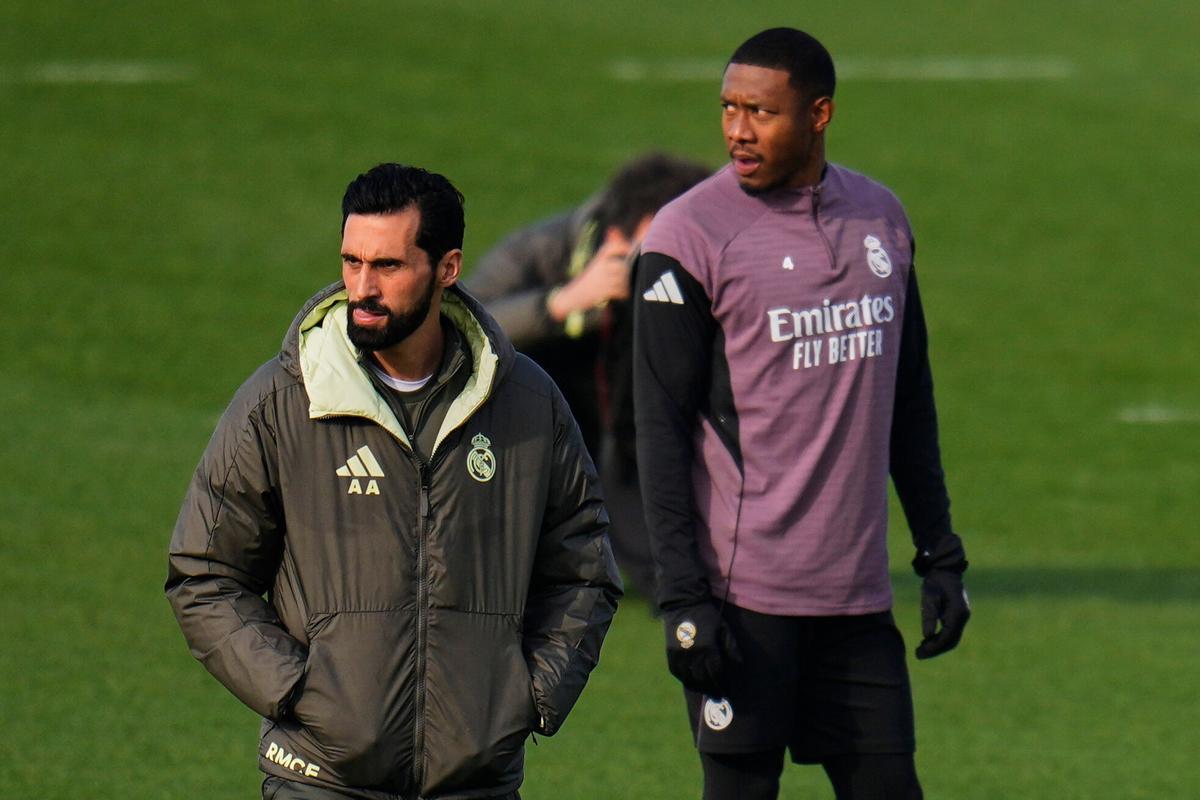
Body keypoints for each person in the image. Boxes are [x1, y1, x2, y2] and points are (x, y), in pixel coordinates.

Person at [166, 163, 622, 800]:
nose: (361, 287)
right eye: (351, 261)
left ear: (447, 268)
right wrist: (299, 692)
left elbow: (584, 567)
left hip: (475, 783)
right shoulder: (280, 403)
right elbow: (204, 573)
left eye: (387, 266)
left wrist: (530, 694)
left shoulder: (525, 404)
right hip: (322, 781)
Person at [633, 28, 970, 800]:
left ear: (820, 115)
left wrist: (940, 554)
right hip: (742, 603)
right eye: (728, 108)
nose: (736, 131)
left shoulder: (881, 220)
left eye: (761, 112)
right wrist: (682, 596)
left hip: (856, 603)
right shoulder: (689, 237)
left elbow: (908, 400)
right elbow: (657, 428)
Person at [468, 153, 710, 600]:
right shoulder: (541, 250)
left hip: (639, 412)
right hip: (543, 408)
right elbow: (460, 333)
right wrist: (562, 303)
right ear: (618, 237)